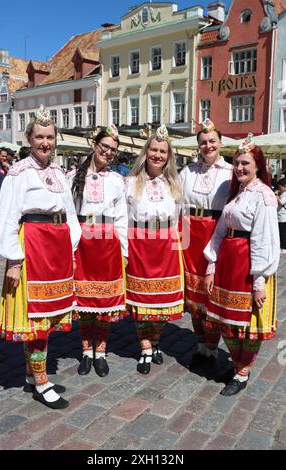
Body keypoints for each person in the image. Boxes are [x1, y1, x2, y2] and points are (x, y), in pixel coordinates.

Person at [0, 105, 81, 409]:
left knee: (48, 314)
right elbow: (7, 216)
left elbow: (69, 214)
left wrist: (71, 249)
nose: (45, 142)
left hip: (56, 249)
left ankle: (34, 373)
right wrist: (14, 260)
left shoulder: (58, 173)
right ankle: (42, 382)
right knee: (36, 319)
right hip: (32, 247)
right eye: (39, 137)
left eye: (50, 137)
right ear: (29, 138)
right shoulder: (18, 172)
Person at [204, 134, 280, 395]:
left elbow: (263, 240)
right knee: (227, 318)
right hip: (228, 262)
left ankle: (243, 371)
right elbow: (220, 230)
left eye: (245, 163)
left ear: (258, 165)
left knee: (248, 324)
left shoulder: (264, 196)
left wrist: (259, 282)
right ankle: (237, 364)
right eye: (236, 163)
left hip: (248, 265)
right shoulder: (236, 194)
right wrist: (211, 265)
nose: (239, 168)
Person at [69, 124, 128, 377]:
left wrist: (124, 251)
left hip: (107, 243)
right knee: (83, 302)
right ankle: (85, 351)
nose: (109, 153)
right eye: (105, 147)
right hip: (83, 241)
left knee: (104, 302)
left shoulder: (117, 180)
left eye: (113, 150)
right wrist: (69, 249)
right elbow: (70, 215)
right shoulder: (72, 177)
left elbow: (123, 218)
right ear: (95, 145)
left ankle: (101, 351)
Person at [125, 125, 184, 374]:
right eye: (154, 149)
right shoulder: (130, 182)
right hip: (140, 241)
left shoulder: (175, 184)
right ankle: (145, 348)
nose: (158, 155)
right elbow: (124, 217)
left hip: (166, 244)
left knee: (160, 302)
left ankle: (157, 342)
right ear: (146, 151)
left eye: (163, 151)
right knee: (141, 300)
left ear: (168, 156)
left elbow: (180, 217)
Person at [179, 119, 232, 368]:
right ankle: (200, 345)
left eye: (212, 141)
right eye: (203, 142)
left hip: (215, 231)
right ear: (198, 145)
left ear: (220, 142)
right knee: (194, 293)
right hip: (189, 232)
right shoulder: (187, 171)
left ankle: (212, 347)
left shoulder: (230, 172)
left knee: (212, 292)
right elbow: (176, 202)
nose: (207, 146)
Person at [277, 177, 286, 254]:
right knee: (281, 232)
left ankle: (283, 248)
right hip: (281, 217)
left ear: (284, 186)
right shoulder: (283, 193)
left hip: (282, 217)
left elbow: (281, 202)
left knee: (282, 233)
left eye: (280, 187)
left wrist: (276, 196)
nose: (279, 188)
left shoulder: (285, 194)